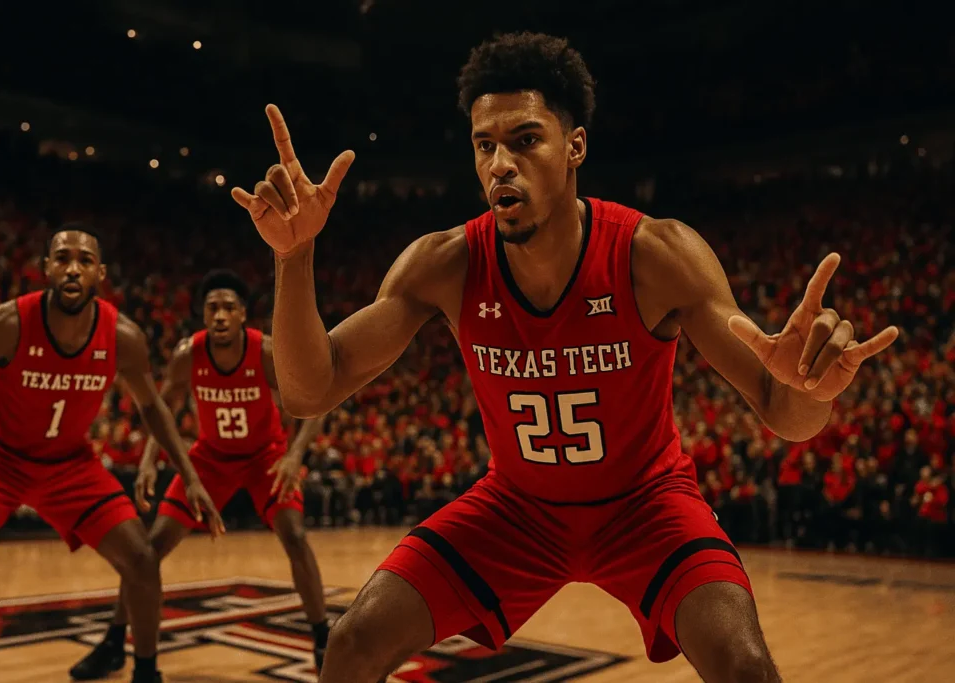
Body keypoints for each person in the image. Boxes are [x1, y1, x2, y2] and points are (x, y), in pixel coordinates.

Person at [231, 32, 900, 683]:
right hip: (516, 507)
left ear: (574, 145)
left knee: (746, 665)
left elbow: (787, 415)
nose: (500, 164)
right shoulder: (445, 263)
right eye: (484, 145)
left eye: (524, 140)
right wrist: (294, 257)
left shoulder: (655, 255)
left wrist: (811, 388)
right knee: (352, 641)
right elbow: (307, 390)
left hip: (646, 505)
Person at [0, 225, 223, 683]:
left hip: (70, 464)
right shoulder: (8, 324)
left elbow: (152, 407)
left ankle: (146, 674)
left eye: (85, 260)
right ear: (46, 268)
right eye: (62, 258)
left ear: (100, 273)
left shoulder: (123, 337)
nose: (72, 267)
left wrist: (190, 476)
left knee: (142, 560)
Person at [69, 269, 330, 679]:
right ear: (202, 315)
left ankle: (322, 639)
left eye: (229, 307)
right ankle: (115, 641)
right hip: (210, 460)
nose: (221, 315)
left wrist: (295, 456)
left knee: (295, 535)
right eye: (213, 308)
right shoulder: (188, 354)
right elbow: (163, 409)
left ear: (243, 314)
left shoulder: (264, 353)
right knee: (148, 549)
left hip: (266, 456)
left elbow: (317, 402)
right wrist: (149, 460)